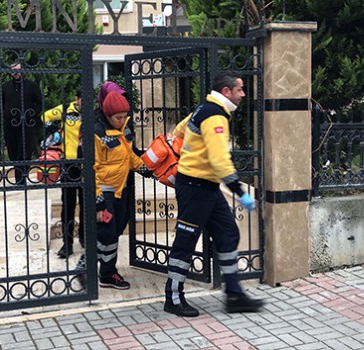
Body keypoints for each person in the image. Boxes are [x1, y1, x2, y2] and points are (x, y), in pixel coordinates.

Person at [163, 72, 263, 317]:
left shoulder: (204, 108)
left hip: (204, 186)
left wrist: (188, 154)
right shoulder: (215, 115)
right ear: (226, 92)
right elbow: (220, 160)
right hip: (196, 188)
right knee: (185, 242)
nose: (243, 93)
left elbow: (178, 130)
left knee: (228, 233)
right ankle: (173, 298)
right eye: (239, 89)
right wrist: (240, 191)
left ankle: (234, 294)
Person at [76, 91, 152, 290]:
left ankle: (107, 273)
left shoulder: (125, 129)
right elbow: (91, 169)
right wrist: (99, 201)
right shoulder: (95, 132)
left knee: (115, 231)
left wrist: (147, 169)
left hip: (121, 191)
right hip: (104, 191)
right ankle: (86, 266)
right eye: (118, 117)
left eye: (124, 116)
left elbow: (130, 156)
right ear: (107, 116)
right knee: (105, 231)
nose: (122, 120)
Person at [42, 91, 84, 259]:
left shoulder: (95, 114)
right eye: (82, 100)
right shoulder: (66, 110)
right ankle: (67, 244)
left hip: (88, 164)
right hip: (69, 164)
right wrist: (56, 132)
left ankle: (84, 238)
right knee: (68, 205)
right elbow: (44, 117)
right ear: (76, 99)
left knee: (87, 203)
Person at [0, 62, 43, 185]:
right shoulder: (5, 87)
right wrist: (4, 114)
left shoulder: (31, 86)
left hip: (26, 124)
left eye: (19, 70)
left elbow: (40, 103)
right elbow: (0, 102)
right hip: (10, 124)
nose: (17, 73)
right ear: (10, 72)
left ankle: (22, 178)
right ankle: (18, 175)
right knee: (13, 151)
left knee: (24, 150)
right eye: (14, 70)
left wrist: (31, 114)